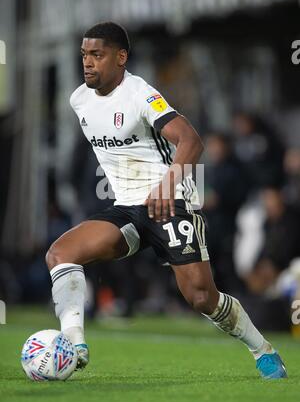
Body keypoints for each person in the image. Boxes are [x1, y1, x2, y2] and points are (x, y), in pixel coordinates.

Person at [45, 22, 287, 379]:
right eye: (84, 55)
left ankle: (262, 350)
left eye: (97, 54)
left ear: (121, 57)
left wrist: (167, 184)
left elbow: (191, 140)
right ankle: (74, 344)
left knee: (201, 297)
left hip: (169, 202)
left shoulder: (140, 94)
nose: (88, 63)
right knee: (60, 254)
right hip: (126, 207)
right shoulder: (78, 99)